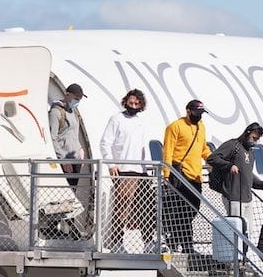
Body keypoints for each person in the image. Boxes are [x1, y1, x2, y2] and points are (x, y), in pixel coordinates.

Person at [100, 88, 156, 253]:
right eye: (131, 103)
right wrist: (111, 164)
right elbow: (105, 142)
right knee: (122, 207)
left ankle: (147, 242)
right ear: (126, 102)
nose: (133, 105)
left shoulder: (140, 121)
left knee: (146, 206)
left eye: (137, 103)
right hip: (124, 169)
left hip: (141, 169)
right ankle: (117, 242)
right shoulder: (116, 119)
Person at [162, 99, 211, 253]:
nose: (199, 116)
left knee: (192, 209)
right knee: (181, 211)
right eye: (197, 113)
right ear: (188, 111)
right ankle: (187, 246)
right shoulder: (175, 127)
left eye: (201, 113)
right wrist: (166, 174)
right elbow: (168, 151)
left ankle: (175, 240)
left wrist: (214, 162)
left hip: (195, 175)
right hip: (179, 174)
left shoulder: (201, 126)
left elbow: (203, 149)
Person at [207, 122, 263, 231]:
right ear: (247, 133)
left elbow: (248, 175)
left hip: (247, 198)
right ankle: (236, 248)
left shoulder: (250, 152)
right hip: (233, 196)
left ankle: (244, 248)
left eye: (257, 140)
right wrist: (229, 165)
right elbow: (212, 158)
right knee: (237, 230)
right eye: (253, 138)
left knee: (247, 230)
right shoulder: (233, 145)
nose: (254, 141)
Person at [49, 83, 89, 184]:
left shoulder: (74, 112)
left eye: (79, 99)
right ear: (67, 94)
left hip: (76, 159)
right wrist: (63, 160)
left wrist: (80, 149)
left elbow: (74, 135)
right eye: (76, 98)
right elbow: (52, 138)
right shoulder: (56, 111)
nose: (77, 101)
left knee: (73, 189)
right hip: (65, 161)